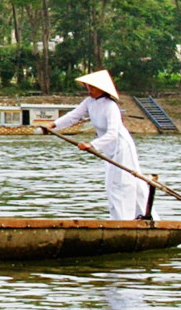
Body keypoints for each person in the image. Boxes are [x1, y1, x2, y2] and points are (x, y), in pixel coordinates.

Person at [46, 69, 153, 221]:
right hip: (109, 148)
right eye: (88, 86)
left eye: (93, 87)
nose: (89, 90)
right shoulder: (89, 102)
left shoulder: (110, 106)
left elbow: (112, 133)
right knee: (112, 185)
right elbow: (73, 116)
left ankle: (127, 219)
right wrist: (53, 125)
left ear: (102, 89)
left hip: (122, 148)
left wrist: (92, 145)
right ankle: (119, 219)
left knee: (123, 184)